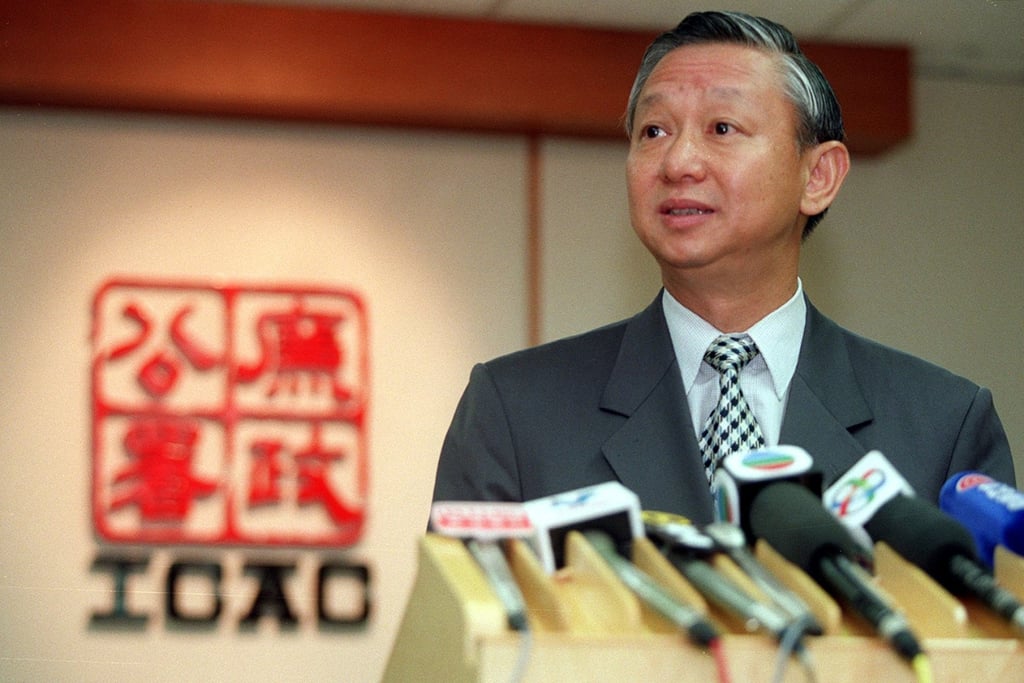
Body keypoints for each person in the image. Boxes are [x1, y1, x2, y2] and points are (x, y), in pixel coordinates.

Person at [431, 10, 1015, 524]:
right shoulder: (514, 411)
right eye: (654, 131)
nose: (679, 161)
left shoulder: (943, 425)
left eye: (722, 128)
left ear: (818, 177)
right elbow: (461, 643)